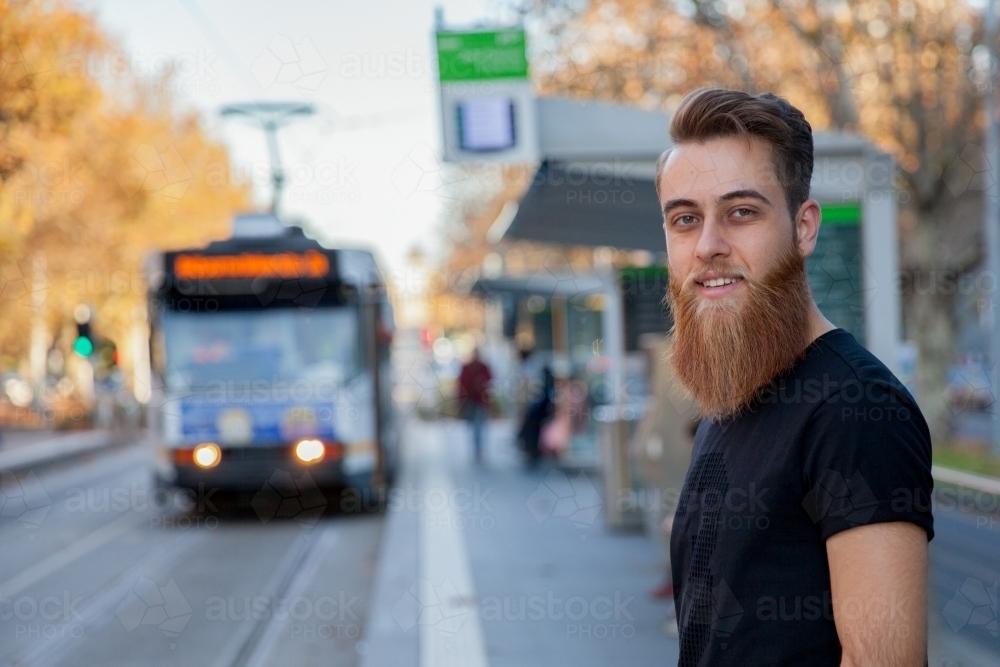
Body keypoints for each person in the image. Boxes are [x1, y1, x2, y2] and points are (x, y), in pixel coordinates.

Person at [657, 88, 933, 666]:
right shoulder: (732, 396)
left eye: (741, 212)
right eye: (685, 219)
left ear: (805, 227)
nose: (708, 246)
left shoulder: (856, 406)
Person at [456, 348, 492, 462]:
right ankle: (476, 448)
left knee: (479, 426)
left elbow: (489, 382)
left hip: (481, 402)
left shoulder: (484, 368)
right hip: (470, 402)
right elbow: (462, 385)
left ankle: (479, 449)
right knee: (473, 426)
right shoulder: (466, 368)